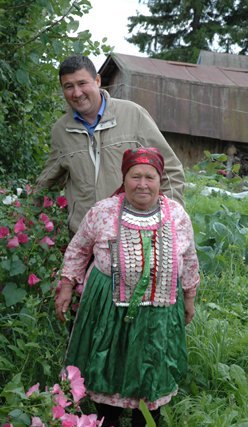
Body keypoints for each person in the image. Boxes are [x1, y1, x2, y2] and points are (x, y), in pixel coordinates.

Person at [55, 147, 200, 427]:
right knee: (108, 362)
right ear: (125, 178)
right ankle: (106, 418)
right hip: (108, 308)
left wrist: (189, 297)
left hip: (159, 312)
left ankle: (144, 419)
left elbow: (190, 258)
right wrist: (66, 285)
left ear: (160, 180)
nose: (142, 184)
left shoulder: (177, 215)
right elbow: (78, 249)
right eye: (135, 176)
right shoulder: (104, 211)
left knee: (152, 367)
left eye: (150, 177)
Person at [36, 55, 185, 236]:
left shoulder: (133, 115)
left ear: (97, 80)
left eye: (82, 83)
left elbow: (170, 171)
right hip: (85, 238)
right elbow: (48, 179)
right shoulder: (61, 130)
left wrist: (169, 221)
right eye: (69, 86)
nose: (76, 93)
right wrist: (25, 213)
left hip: (133, 235)